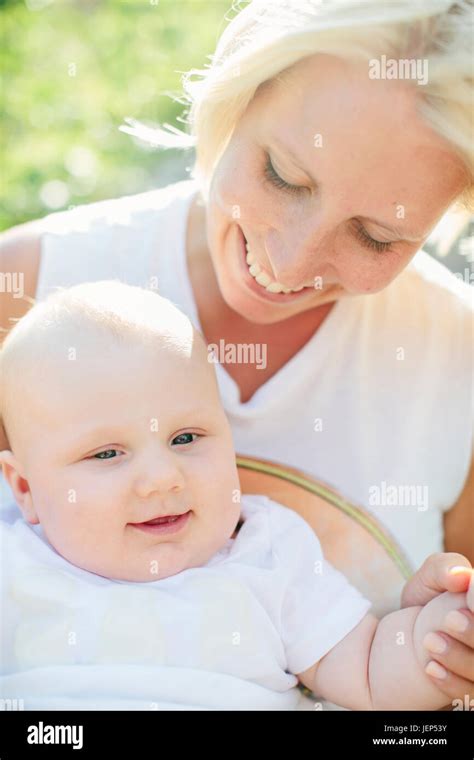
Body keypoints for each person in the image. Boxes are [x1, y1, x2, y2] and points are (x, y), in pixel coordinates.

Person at [0, 0, 472, 701]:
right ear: (235, 97)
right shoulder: (20, 296)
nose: (286, 263)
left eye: (376, 236)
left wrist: (443, 640)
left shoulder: (457, 358)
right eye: (283, 176)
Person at [0, 281, 472, 711]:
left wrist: (433, 638)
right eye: (106, 453)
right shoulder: (14, 564)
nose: (164, 478)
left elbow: (369, 673)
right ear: (25, 488)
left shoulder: (267, 550)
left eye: (186, 438)